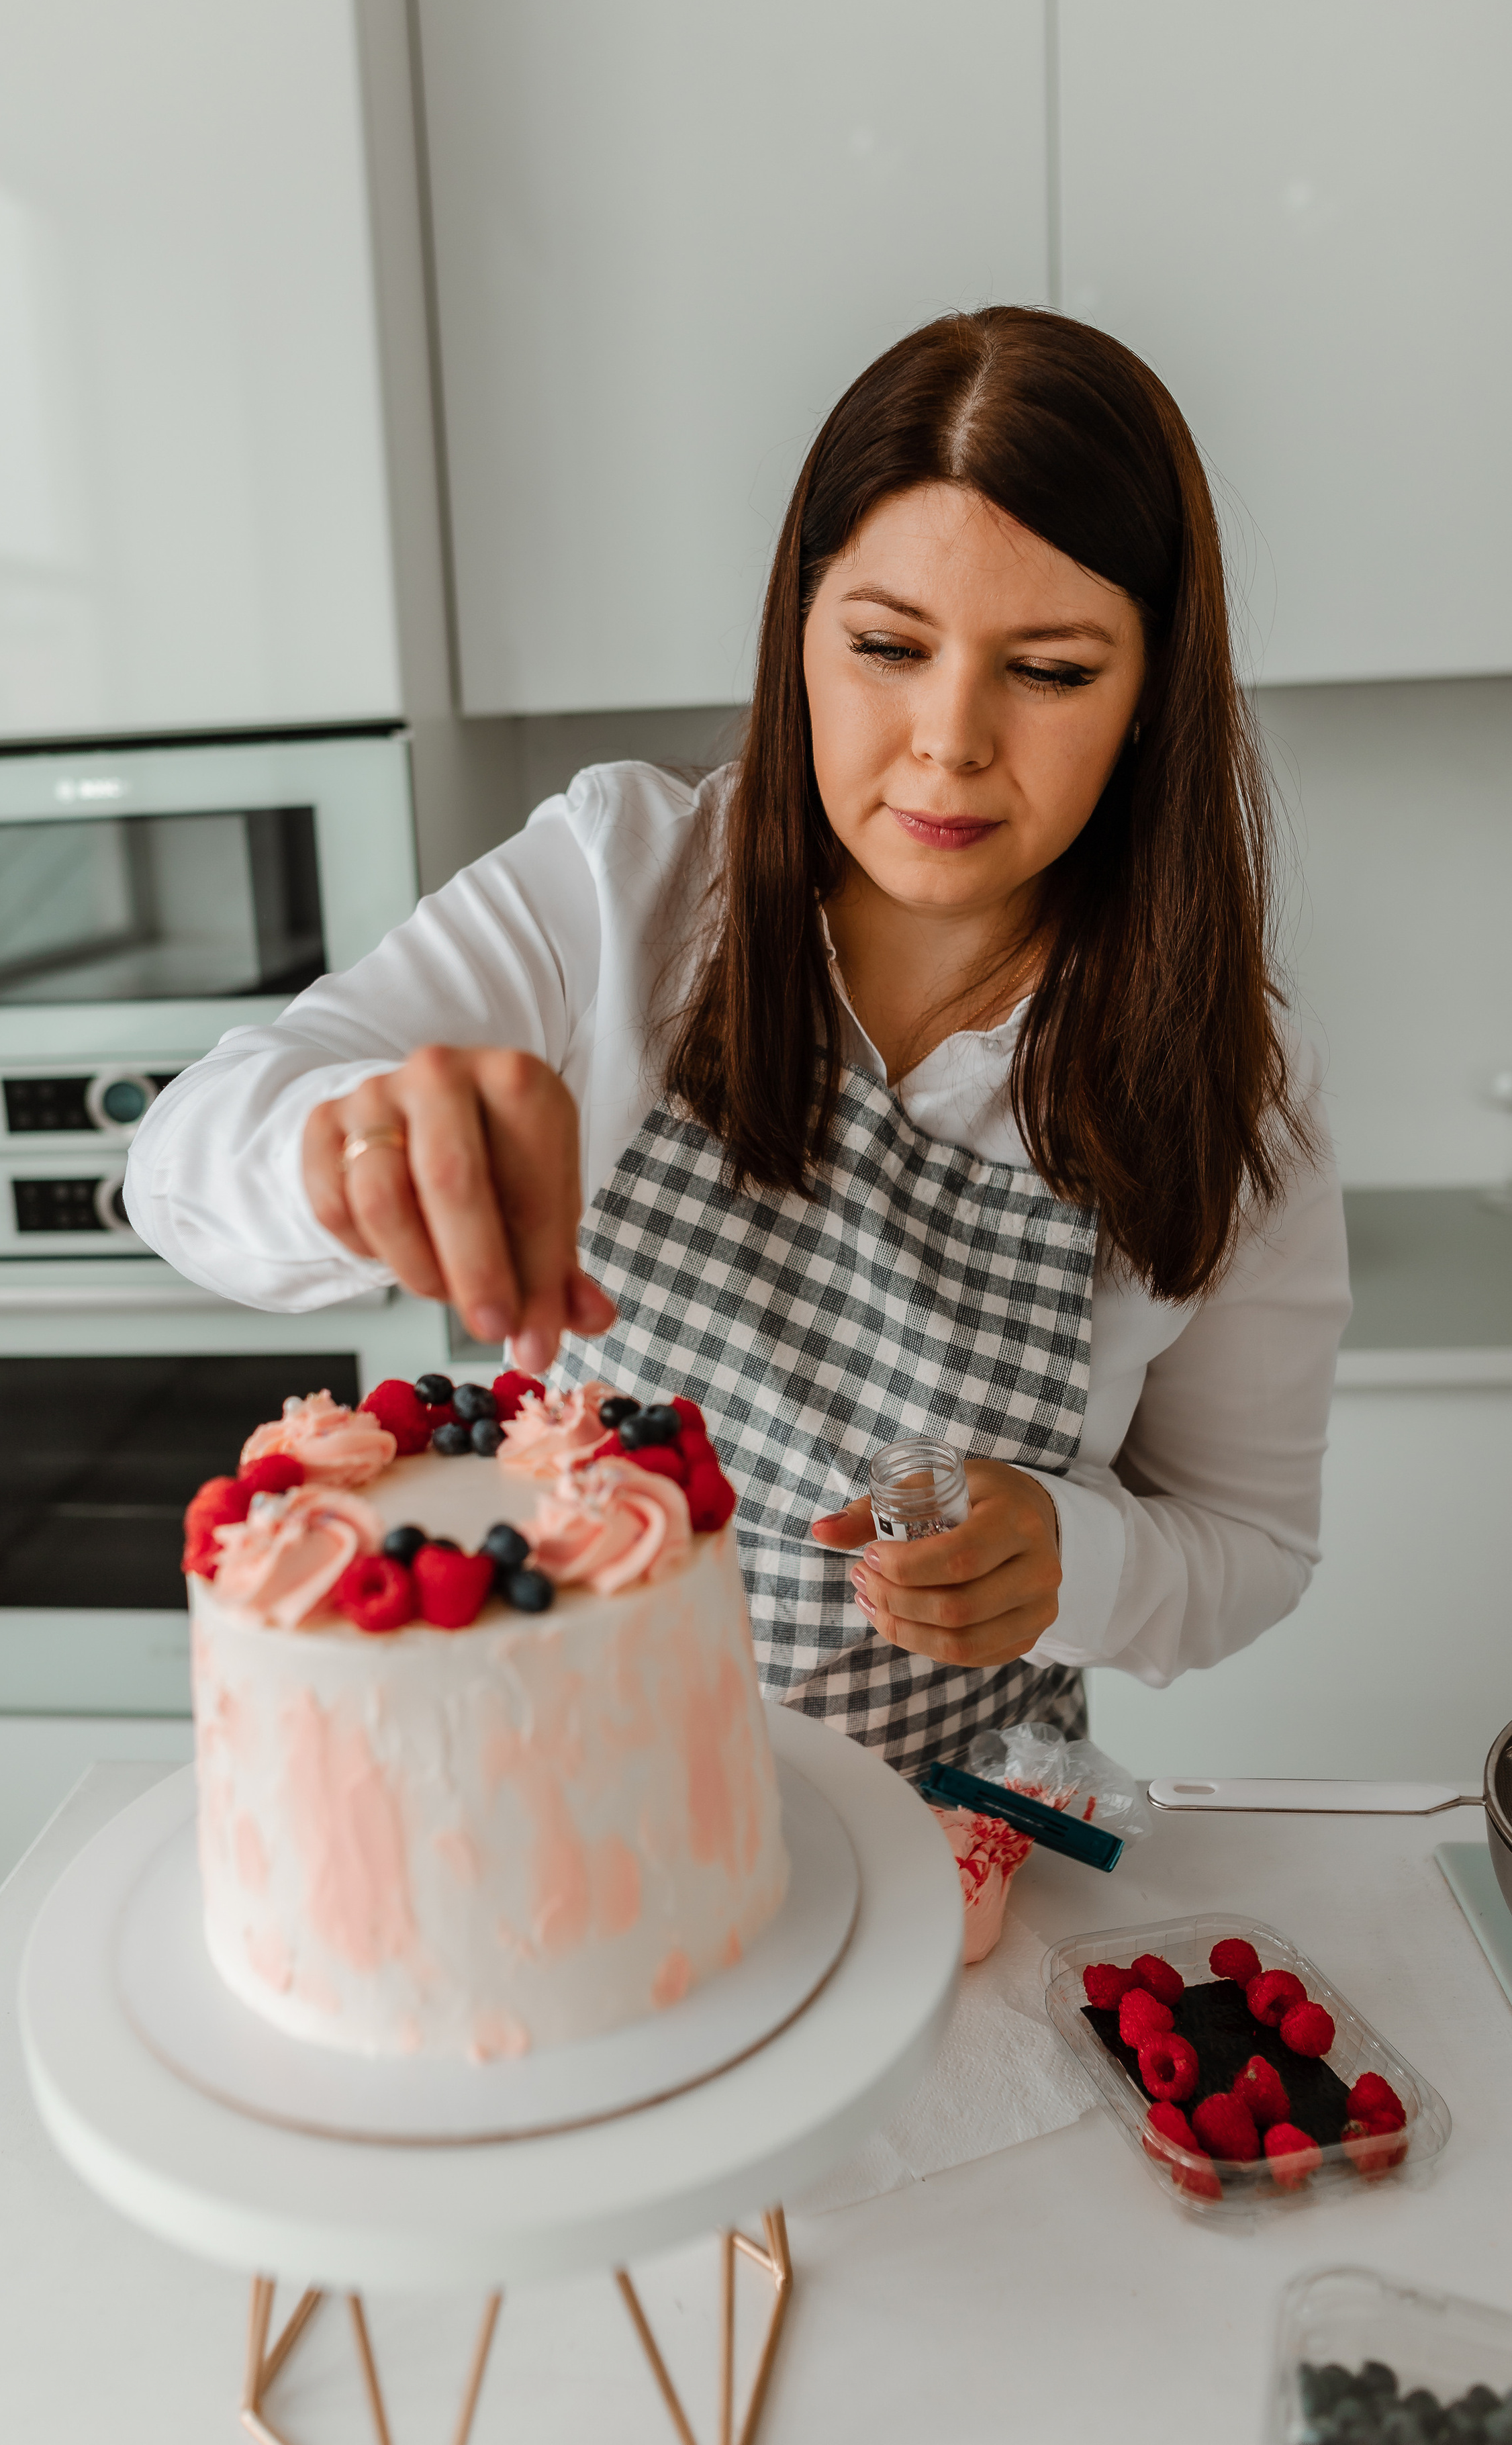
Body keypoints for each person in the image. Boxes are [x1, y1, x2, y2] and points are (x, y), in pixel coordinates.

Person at [126, 307, 1350, 1778]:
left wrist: (1072, 1564)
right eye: (887, 646)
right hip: (554, 1795)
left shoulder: (1233, 1091)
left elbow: (1248, 1543)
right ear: (800, 631)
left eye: (1047, 671)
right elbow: (186, 1156)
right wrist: (343, 1146)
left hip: (944, 1853)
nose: (947, 741)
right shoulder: (622, 884)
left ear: (1149, 693)